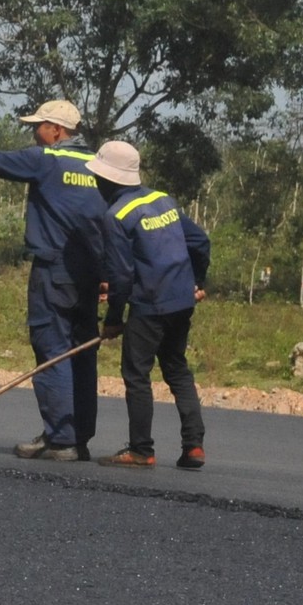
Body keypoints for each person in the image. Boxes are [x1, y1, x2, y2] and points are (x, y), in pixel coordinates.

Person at [0, 98, 105, 462]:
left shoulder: (48, 160)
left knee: (52, 350)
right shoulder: (99, 166)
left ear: (56, 130)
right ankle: (78, 436)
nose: (33, 132)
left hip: (54, 270)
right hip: (92, 273)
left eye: (38, 126)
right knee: (81, 352)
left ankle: (60, 438)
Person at [89, 140, 209, 471]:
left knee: (136, 373)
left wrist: (113, 319)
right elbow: (200, 242)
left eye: (98, 177)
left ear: (108, 179)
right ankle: (194, 446)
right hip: (181, 302)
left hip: (150, 304)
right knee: (177, 369)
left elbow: (121, 276)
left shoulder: (116, 215)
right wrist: (197, 283)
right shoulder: (163, 200)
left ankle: (141, 449)